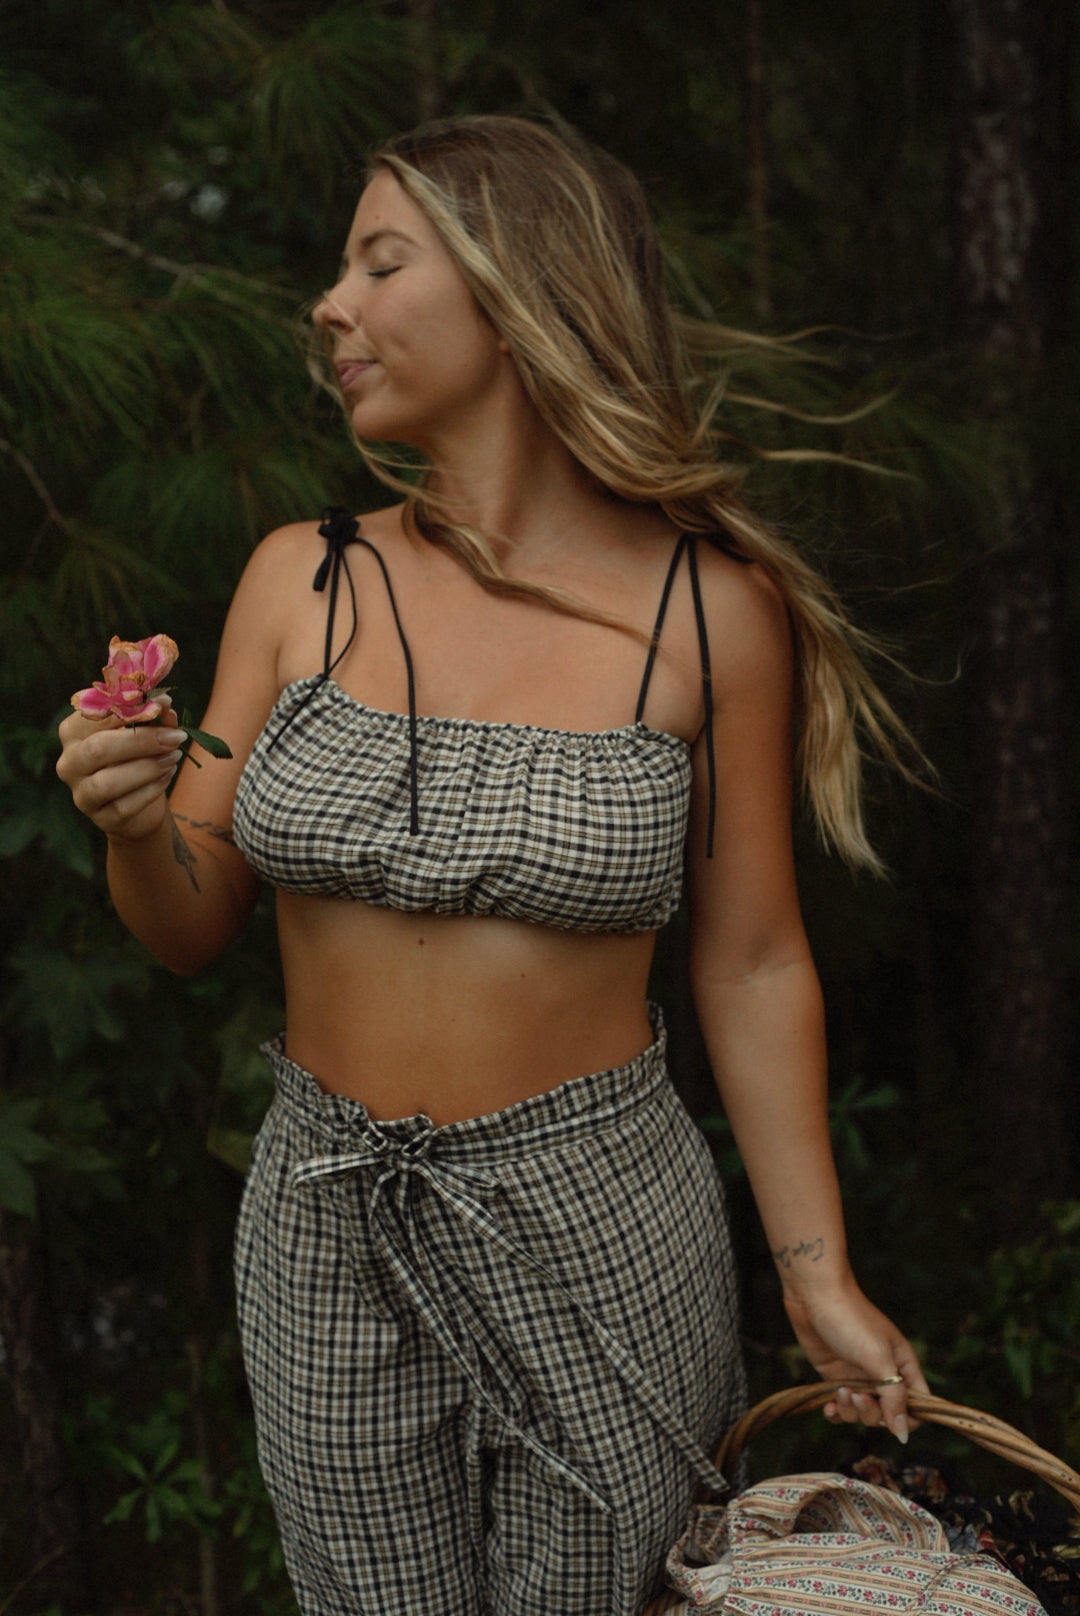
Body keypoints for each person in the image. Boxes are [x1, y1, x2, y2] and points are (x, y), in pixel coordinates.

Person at [57, 115, 928, 1616]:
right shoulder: (300, 577)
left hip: (601, 1225)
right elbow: (189, 923)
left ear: (519, 288)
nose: (329, 305)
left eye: (378, 262)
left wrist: (815, 1272)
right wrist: (136, 824)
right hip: (326, 1216)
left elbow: (752, 960)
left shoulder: (709, 613)